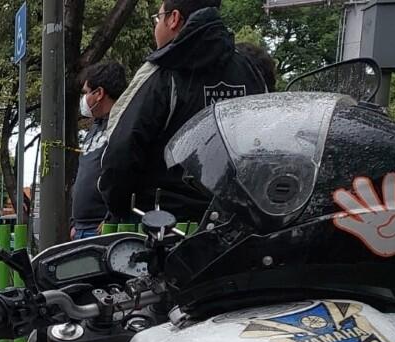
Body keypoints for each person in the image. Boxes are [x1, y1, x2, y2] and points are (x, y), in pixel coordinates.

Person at [98, 0, 267, 223]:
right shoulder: (250, 72)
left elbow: (121, 151)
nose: (155, 27)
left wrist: (119, 208)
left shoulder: (162, 72)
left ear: (174, 18)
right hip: (236, 228)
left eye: (158, 18)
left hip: (165, 228)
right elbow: (268, 149)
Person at [72, 62, 128, 240]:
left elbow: (124, 172)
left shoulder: (122, 125)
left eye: (86, 92)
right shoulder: (95, 127)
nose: (84, 98)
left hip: (102, 228)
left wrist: (111, 217)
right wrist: (74, 223)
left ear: (99, 94)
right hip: (81, 228)